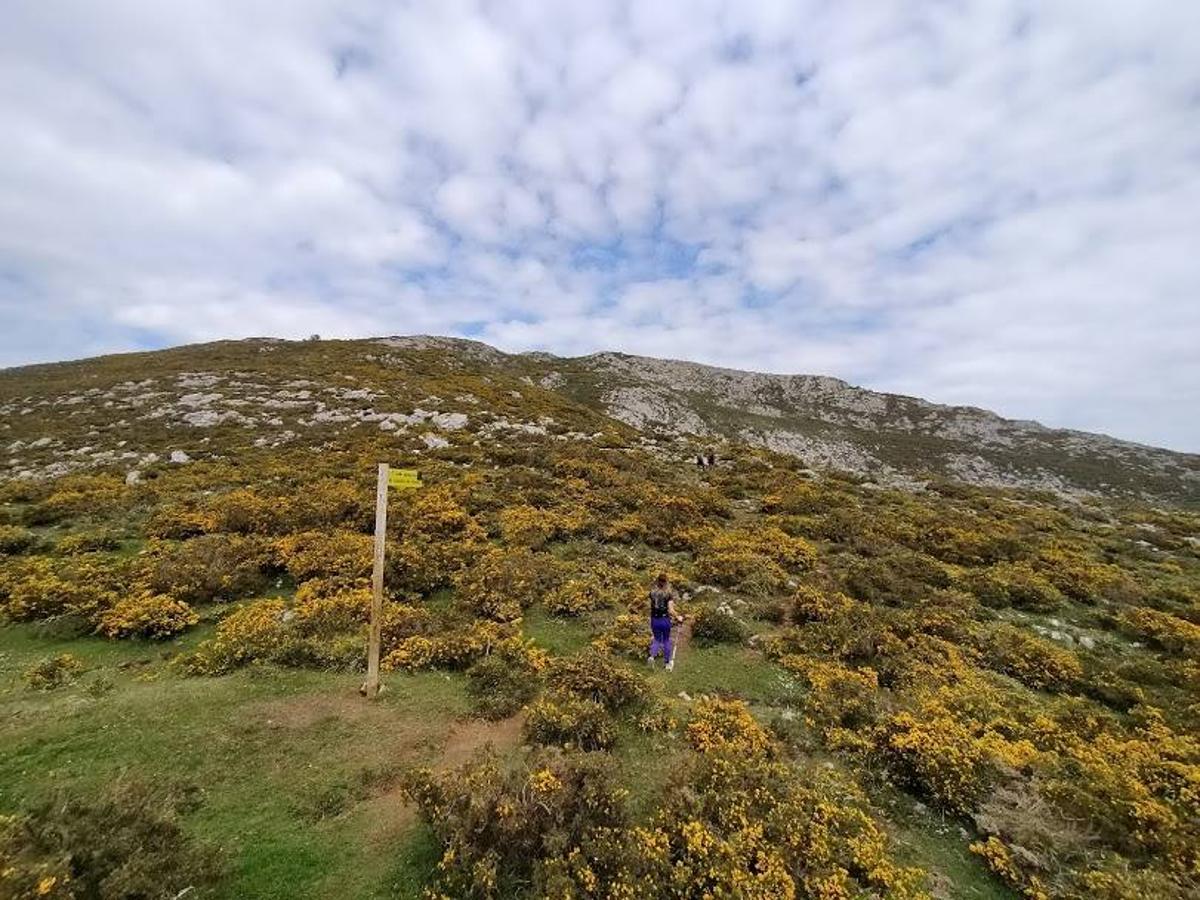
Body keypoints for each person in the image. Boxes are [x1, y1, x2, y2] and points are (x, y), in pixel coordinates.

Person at [648, 572, 682, 671]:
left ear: (658, 581)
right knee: (666, 640)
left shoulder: (652, 592)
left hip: (654, 619)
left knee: (657, 639)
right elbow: (670, 610)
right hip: (664, 620)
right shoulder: (668, 594)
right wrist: (677, 617)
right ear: (666, 582)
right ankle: (667, 663)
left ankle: (652, 656)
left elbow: (652, 605)